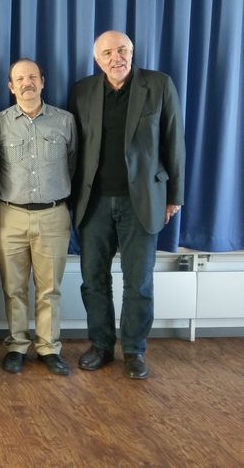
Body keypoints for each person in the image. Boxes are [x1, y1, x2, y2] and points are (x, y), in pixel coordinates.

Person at [69, 30, 185, 379]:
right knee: (93, 279)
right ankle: (101, 345)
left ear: (132, 52)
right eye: (107, 53)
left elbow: (174, 142)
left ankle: (134, 349)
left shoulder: (159, 85)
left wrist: (174, 197)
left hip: (144, 201)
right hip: (94, 202)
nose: (115, 58)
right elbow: (75, 148)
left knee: (139, 281)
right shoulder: (82, 90)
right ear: (97, 60)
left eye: (122, 50)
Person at [0, 58, 76, 376]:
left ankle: (48, 347)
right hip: (9, 215)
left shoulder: (65, 121)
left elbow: (74, 163)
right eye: (20, 78)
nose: (27, 83)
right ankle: (16, 345)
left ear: (43, 82)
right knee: (13, 288)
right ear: (11, 86)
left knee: (49, 288)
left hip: (54, 214)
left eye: (32, 77)